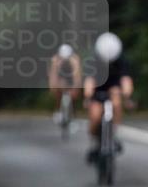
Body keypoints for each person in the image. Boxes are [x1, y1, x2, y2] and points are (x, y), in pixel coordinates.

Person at [83, 32, 134, 162]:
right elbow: (89, 81)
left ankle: (112, 132)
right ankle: (96, 140)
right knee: (94, 117)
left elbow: (126, 80)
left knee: (116, 102)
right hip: (98, 89)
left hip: (113, 88)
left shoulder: (121, 60)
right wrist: (88, 97)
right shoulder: (93, 61)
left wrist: (127, 96)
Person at [48, 43, 83, 115]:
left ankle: (73, 109)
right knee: (58, 91)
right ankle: (58, 108)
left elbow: (77, 78)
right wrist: (54, 88)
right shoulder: (55, 60)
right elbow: (53, 77)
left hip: (71, 77)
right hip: (61, 77)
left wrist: (75, 89)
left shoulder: (75, 60)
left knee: (74, 94)